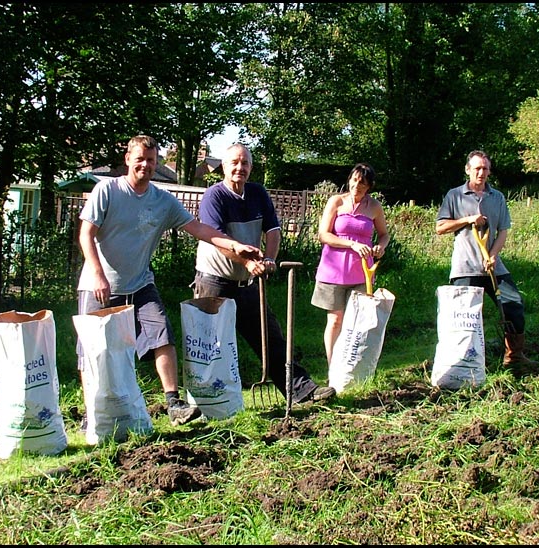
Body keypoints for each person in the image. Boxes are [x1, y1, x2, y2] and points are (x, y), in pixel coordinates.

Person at [76, 135, 262, 427]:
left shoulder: (162, 200)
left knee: (162, 332)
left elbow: (199, 228)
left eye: (151, 160)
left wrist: (235, 246)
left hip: (140, 284)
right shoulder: (107, 190)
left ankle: (174, 403)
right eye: (140, 159)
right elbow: (86, 234)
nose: (145, 165)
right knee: (93, 350)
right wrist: (97, 274)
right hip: (100, 285)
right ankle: (93, 411)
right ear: (128, 159)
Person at [191, 143, 336, 404]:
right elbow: (217, 239)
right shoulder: (214, 196)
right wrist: (247, 263)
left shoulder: (258, 193)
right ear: (223, 167)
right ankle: (207, 403)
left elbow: (273, 231)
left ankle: (300, 389)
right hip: (214, 280)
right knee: (210, 344)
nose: (240, 168)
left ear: (251, 168)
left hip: (246, 284)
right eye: (234, 162)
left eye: (245, 163)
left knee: (270, 337)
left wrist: (269, 259)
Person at [435, 150, 536, 372]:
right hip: (465, 267)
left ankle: (514, 356)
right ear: (468, 169)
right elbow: (440, 227)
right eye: (477, 168)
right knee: (465, 317)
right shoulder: (455, 195)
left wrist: (493, 256)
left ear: (489, 171)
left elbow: (502, 231)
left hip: (493, 266)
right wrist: (467, 220)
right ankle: (464, 363)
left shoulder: (497, 197)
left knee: (514, 305)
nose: (481, 172)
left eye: (485, 169)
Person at [311, 163, 390, 367]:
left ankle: (352, 366)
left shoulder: (374, 207)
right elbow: (323, 235)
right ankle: (332, 368)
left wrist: (380, 247)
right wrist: (352, 244)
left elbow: (384, 235)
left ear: (369, 186)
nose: (357, 185)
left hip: (361, 274)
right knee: (335, 320)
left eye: (362, 182)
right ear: (349, 180)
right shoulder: (336, 201)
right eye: (354, 180)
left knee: (356, 322)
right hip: (333, 271)